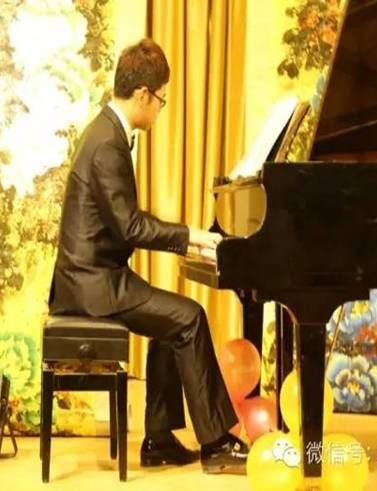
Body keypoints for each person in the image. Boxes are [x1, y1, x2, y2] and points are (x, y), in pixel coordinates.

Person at [48, 38, 248, 475]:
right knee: (190, 317)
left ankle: (158, 439)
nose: (160, 108)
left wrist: (186, 238)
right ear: (142, 95)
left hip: (92, 276)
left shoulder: (107, 131)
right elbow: (130, 227)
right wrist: (192, 237)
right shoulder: (108, 143)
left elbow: (123, 223)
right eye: (161, 99)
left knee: (170, 323)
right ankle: (217, 444)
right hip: (93, 285)